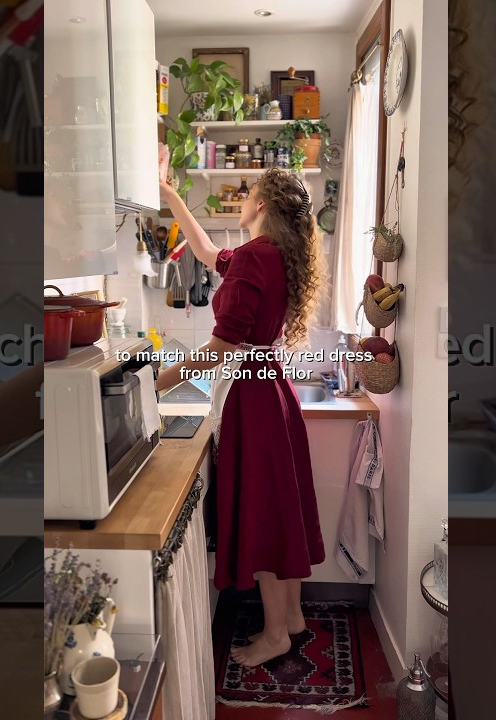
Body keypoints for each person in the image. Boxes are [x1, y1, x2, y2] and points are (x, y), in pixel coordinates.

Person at [155, 169, 326, 667]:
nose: (243, 200)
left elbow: (219, 350)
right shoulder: (273, 256)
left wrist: (155, 381)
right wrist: (171, 198)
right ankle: (290, 617)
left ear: (264, 203)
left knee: (269, 517)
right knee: (281, 511)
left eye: (250, 193)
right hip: (272, 389)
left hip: (253, 399)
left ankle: (276, 636)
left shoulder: (255, 257)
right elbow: (208, 252)